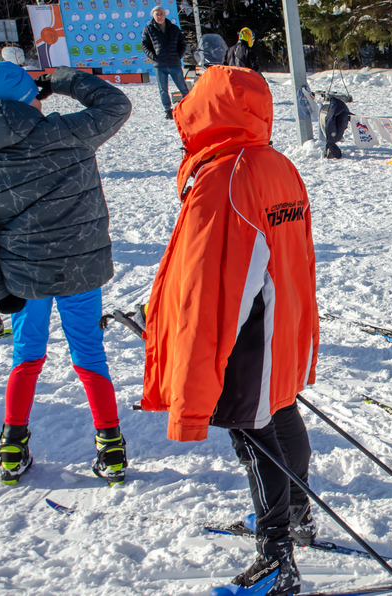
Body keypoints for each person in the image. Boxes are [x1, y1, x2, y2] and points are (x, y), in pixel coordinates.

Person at [141, 66, 319, 596]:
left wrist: (197, 363)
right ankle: (298, 516)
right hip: (281, 320)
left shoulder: (225, 177)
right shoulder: (277, 164)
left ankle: (276, 557)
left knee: (253, 433)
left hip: (247, 331)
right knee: (281, 411)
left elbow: (211, 285)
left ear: (209, 111)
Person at [0, 62, 132, 486]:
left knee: (26, 356)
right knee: (89, 355)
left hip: (25, 276)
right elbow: (116, 104)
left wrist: (0, 292)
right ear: (31, 98)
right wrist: (62, 80)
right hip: (80, 269)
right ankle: (111, 448)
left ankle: (12, 445)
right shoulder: (68, 131)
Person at [141, 6, 189, 120]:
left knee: (183, 88)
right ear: (153, 16)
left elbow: (182, 43)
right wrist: (154, 57)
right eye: (157, 14)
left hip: (175, 64)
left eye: (161, 14)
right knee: (163, 90)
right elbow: (145, 45)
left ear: (165, 14)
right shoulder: (148, 29)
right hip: (160, 65)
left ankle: (188, 107)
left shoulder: (174, 28)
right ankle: (168, 110)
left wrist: (178, 56)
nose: (159, 16)